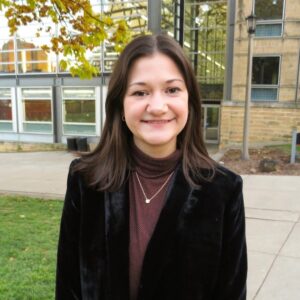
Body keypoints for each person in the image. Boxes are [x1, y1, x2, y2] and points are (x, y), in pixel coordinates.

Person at [56, 34, 247, 300]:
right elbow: (68, 288)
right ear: (120, 106)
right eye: (140, 92)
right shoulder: (85, 179)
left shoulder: (223, 190)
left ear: (189, 102)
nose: (157, 106)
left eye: (172, 90)